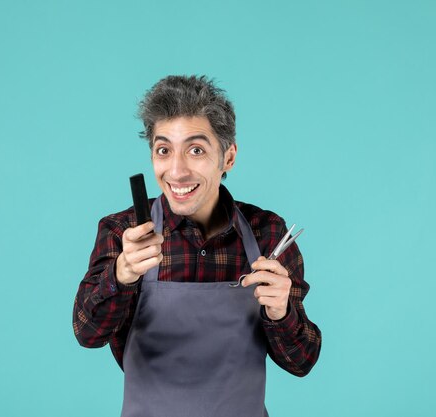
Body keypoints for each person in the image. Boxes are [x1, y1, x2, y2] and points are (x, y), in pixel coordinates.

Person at [73, 75, 321, 417]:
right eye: (163, 150)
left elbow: (302, 361)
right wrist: (122, 274)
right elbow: (87, 333)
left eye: (196, 150)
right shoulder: (124, 231)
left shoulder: (268, 234)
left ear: (228, 157)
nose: (176, 171)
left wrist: (281, 312)